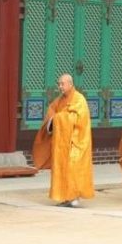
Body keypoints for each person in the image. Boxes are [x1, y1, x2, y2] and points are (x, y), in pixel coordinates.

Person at [32, 74, 94, 207]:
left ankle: (74, 197)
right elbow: (52, 111)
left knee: (73, 169)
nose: (60, 87)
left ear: (70, 84)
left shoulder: (79, 99)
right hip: (61, 143)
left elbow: (79, 120)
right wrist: (54, 119)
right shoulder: (60, 100)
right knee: (62, 169)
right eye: (59, 84)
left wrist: (58, 119)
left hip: (76, 142)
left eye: (62, 84)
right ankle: (66, 197)